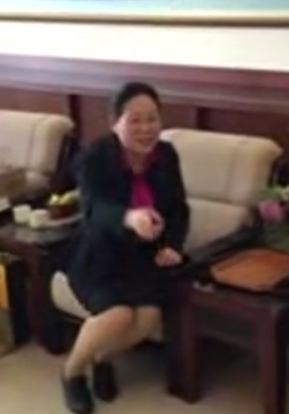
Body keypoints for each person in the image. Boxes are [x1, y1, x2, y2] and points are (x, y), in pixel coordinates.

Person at [60, 82, 189, 414]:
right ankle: (72, 372)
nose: (146, 129)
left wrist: (173, 245)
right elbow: (94, 209)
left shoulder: (167, 155)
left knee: (147, 317)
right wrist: (129, 217)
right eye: (135, 120)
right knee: (117, 315)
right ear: (115, 122)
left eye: (152, 119)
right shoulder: (94, 157)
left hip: (142, 258)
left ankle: (102, 358)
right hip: (98, 256)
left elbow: (179, 209)